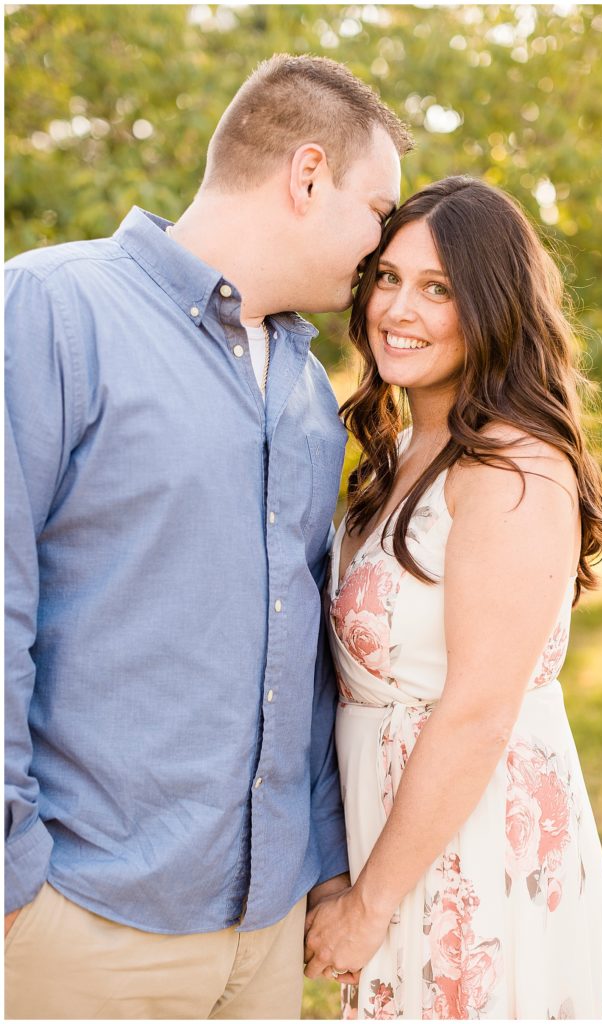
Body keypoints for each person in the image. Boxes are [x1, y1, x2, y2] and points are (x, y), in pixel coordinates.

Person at [4, 53, 411, 1019]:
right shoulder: (52, 310)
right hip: (85, 920)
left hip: (262, 940)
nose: (383, 243)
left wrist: (315, 868)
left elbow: (302, 655)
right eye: (378, 210)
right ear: (307, 177)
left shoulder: (311, 393)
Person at [303, 177, 602, 1019]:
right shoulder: (407, 444)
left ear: (491, 307)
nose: (398, 309)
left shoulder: (514, 465)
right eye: (388, 277)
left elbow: (481, 708)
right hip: (399, 838)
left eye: (438, 288)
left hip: (476, 855)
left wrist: (369, 904)